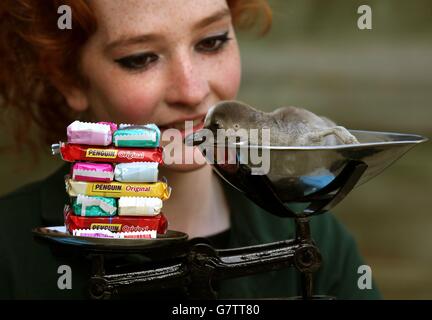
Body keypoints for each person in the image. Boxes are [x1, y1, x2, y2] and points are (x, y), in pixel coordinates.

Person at [0, 0, 381, 299]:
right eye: (140, 58)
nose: (192, 91)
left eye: (212, 41)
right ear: (70, 79)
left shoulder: (314, 234)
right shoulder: (11, 251)